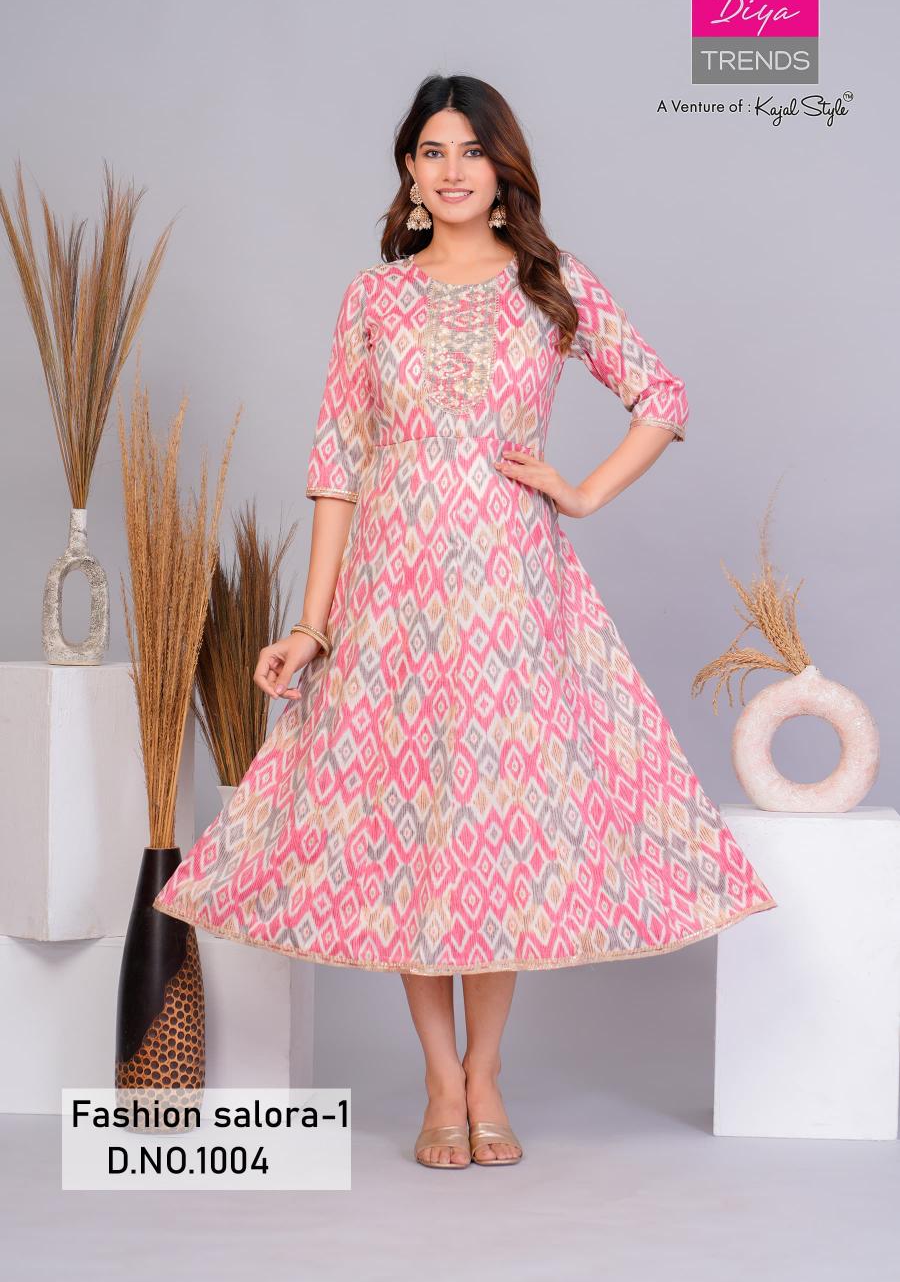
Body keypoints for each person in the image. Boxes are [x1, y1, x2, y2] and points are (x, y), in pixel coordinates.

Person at [153, 73, 777, 1171]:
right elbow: (337, 465)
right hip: (391, 601)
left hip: (510, 597)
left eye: (471, 152)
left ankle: (488, 1072)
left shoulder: (548, 284)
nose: (451, 171)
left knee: (494, 832)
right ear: (408, 169)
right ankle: (442, 1082)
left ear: (502, 168)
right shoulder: (375, 299)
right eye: (432, 151)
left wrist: (582, 491)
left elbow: (661, 397)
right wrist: (311, 625)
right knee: (414, 832)